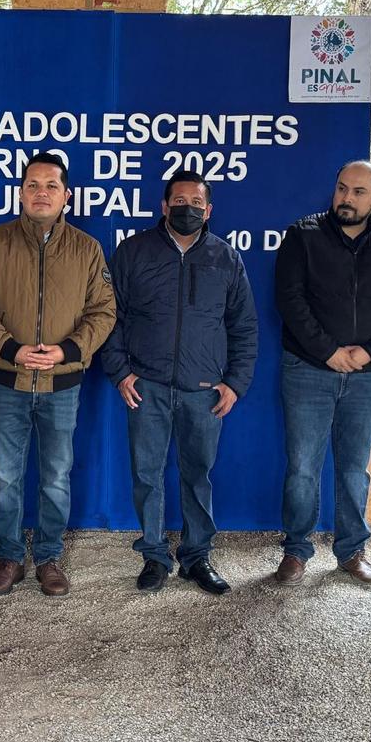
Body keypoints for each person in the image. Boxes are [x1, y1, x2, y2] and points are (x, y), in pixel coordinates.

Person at [0, 153, 116, 597]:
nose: (41, 192)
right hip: (6, 382)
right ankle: (9, 557)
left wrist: (67, 351)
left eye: (51, 185)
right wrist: (11, 348)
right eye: (33, 184)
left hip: (61, 386)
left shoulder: (87, 249)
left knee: (55, 476)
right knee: (6, 476)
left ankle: (48, 557)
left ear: (66, 195)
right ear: (21, 192)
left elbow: (103, 312)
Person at [101, 171, 258, 595]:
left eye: (196, 202)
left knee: (198, 474)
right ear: (164, 206)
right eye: (179, 200)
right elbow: (106, 318)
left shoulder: (226, 258)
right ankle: (154, 556)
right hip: (145, 386)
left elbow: (243, 326)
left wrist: (235, 383)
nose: (187, 208)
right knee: (147, 475)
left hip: (204, 389)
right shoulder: (133, 252)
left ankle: (196, 557)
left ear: (209, 210)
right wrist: (121, 372)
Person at [273, 160, 371, 588]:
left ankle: (352, 551)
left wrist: (370, 352)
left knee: (355, 468)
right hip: (307, 370)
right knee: (302, 467)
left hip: (367, 375)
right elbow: (289, 298)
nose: (346, 198)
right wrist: (328, 351)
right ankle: (296, 551)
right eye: (341, 189)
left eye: (357, 192)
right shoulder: (304, 235)